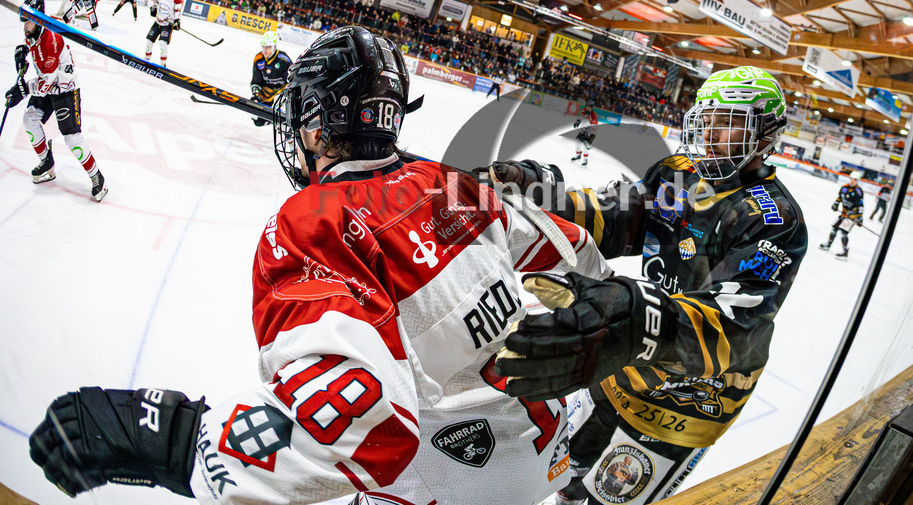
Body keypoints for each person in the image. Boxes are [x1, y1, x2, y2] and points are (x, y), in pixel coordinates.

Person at [28, 26, 614, 505]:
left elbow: (366, 432)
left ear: (319, 120)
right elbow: (583, 261)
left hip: (442, 486)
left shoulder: (313, 221)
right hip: (544, 459)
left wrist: (179, 441)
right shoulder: (452, 185)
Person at [479, 66, 807, 504]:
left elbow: (736, 327)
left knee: (604, 499)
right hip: (616, 363)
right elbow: (618, 218)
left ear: (765, 135)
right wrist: (545, 197)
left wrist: (641, 318)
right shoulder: (677, 173)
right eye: (707, 119)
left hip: (683, 404)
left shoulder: (772, 220)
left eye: (728, 122)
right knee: (559, 476)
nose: (711, 132)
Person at [4, 0, 108, 201]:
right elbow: (36, 56)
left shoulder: (51, 39)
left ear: (39, 17)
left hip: (64, 88)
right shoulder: (34, 30)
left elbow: (45, 84)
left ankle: (96, 176)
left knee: (70, 136)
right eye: (23, 20)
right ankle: (47, 163)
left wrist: (22, 90)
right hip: (48, 84)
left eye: (28, 20)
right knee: (29, 118)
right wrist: (23, 52)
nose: (25, 25)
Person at [249, 30, 291, 127]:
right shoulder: (258, 58)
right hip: (266, 94)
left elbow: (292, 81)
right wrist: (255, 95)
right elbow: (256, 81)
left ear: (274, 47)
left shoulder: (283, 59)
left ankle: (281, 120)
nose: (265, 51)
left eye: (268, 47)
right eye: (263, 47)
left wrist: (283, 96)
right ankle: (273, 119)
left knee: (283, 119)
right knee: (258, 121)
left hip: (281, 93)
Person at [820, 172, 865, 259]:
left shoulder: (858, 192)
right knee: (834, 227)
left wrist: (860, 217)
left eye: (855, 180)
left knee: (843, 233)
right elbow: (839, 198)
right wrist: (836, 204)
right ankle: (829, 244)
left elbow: (860, 205)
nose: (852, 181)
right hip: (843, 213)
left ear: (857, 181)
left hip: (852, 216)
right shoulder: (844, 188)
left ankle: (845, 251)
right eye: (851, 178)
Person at [146, 0, 183, 66]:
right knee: (149, 40)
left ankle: (163, 64)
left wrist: (176, 20)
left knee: (163, 43)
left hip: (167, 24)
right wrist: (153, 8)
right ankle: (146, 60)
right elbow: (156, 2)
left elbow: (177, 10)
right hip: (158, 21)